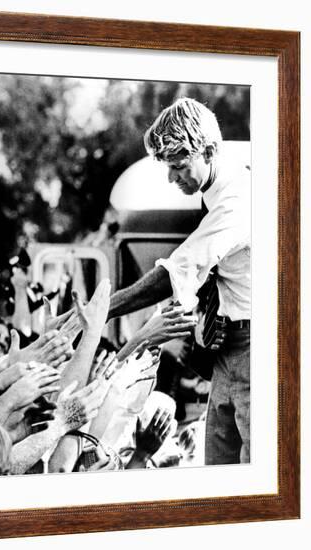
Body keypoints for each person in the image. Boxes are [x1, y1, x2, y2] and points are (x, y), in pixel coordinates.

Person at [108, 97, 251, 465]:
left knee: (255, 475)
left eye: (179, 167)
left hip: (255, 352)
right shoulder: (215, 195)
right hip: (226, 352)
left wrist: (103, 312)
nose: (173, 179)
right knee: (219, 468)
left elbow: (177, 271)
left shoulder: (237, 200)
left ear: (209, 150)